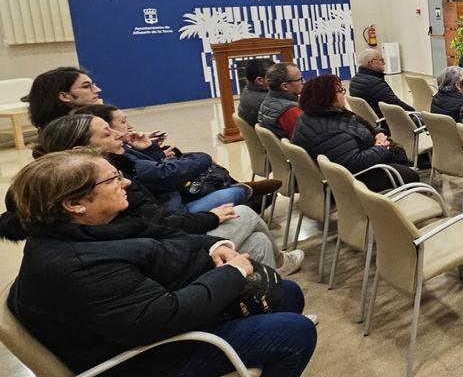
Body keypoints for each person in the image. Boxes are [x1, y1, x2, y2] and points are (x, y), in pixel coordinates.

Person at [3, 150, 316, 377]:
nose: (125, 182)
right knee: (294, 332)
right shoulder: (75, 263)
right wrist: (232, 273)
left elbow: (165, 234)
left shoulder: (90, 226)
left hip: (139, 335)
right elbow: (162, 318)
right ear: (74, 203)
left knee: (287, 293)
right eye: (112, 180)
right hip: (129, 368)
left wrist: (214, 247)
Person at [21, 114, 301, 272]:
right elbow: (158, 222)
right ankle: (277, 266)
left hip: (172, 229)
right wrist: (208, 220)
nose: (120, 134)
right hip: (170, 248)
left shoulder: (114, 170)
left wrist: (151, 151)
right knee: (243, 212)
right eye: (108, 133)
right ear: (82, 150)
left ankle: (271, 290)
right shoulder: (105, 187)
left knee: (256, 243)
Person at [72, 104, 271, 213]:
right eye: (109, 132)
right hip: (176, 208)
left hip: (175, 199)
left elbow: (157, 168)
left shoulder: (120, 152)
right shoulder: (115, 160)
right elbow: (164, 174)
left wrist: (150, 149)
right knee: (240, 203)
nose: (126, 128)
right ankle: (245, 193)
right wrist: (204, 157)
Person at [291, 74, 418, 189]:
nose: (343, 94)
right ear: (327, 97)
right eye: (340, 91)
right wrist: (381, 147)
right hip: (353, 178)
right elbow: (354, 162)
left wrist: (378, 133)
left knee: (401, 162)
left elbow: (357, 127)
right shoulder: (327, 130)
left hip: (357, 162)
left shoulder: (318, 115)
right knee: (410, 176)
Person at [26, 66, 103, 130]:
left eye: (93, 85)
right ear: (64, 96)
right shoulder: (69, 132)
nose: (97, 90)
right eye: (86, 86)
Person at [349, 48, 414, 118]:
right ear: (372, 63)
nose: (384, 63)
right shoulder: (374, 83)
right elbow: (396, 104)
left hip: (368, 122)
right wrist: (414, 112)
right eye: (381, 60)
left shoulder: (354, 80)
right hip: (386, 123)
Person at [258, 62, 304, 138]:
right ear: (285, 86)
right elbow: (306, 141)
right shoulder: (291, 112)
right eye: (300, 79)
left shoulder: (267, 101)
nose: (303, 82)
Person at [237, 58, 274, 125]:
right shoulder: (268, 103)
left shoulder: (247, 90)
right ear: (260, 80)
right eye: (275, 76)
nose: (281, 79)